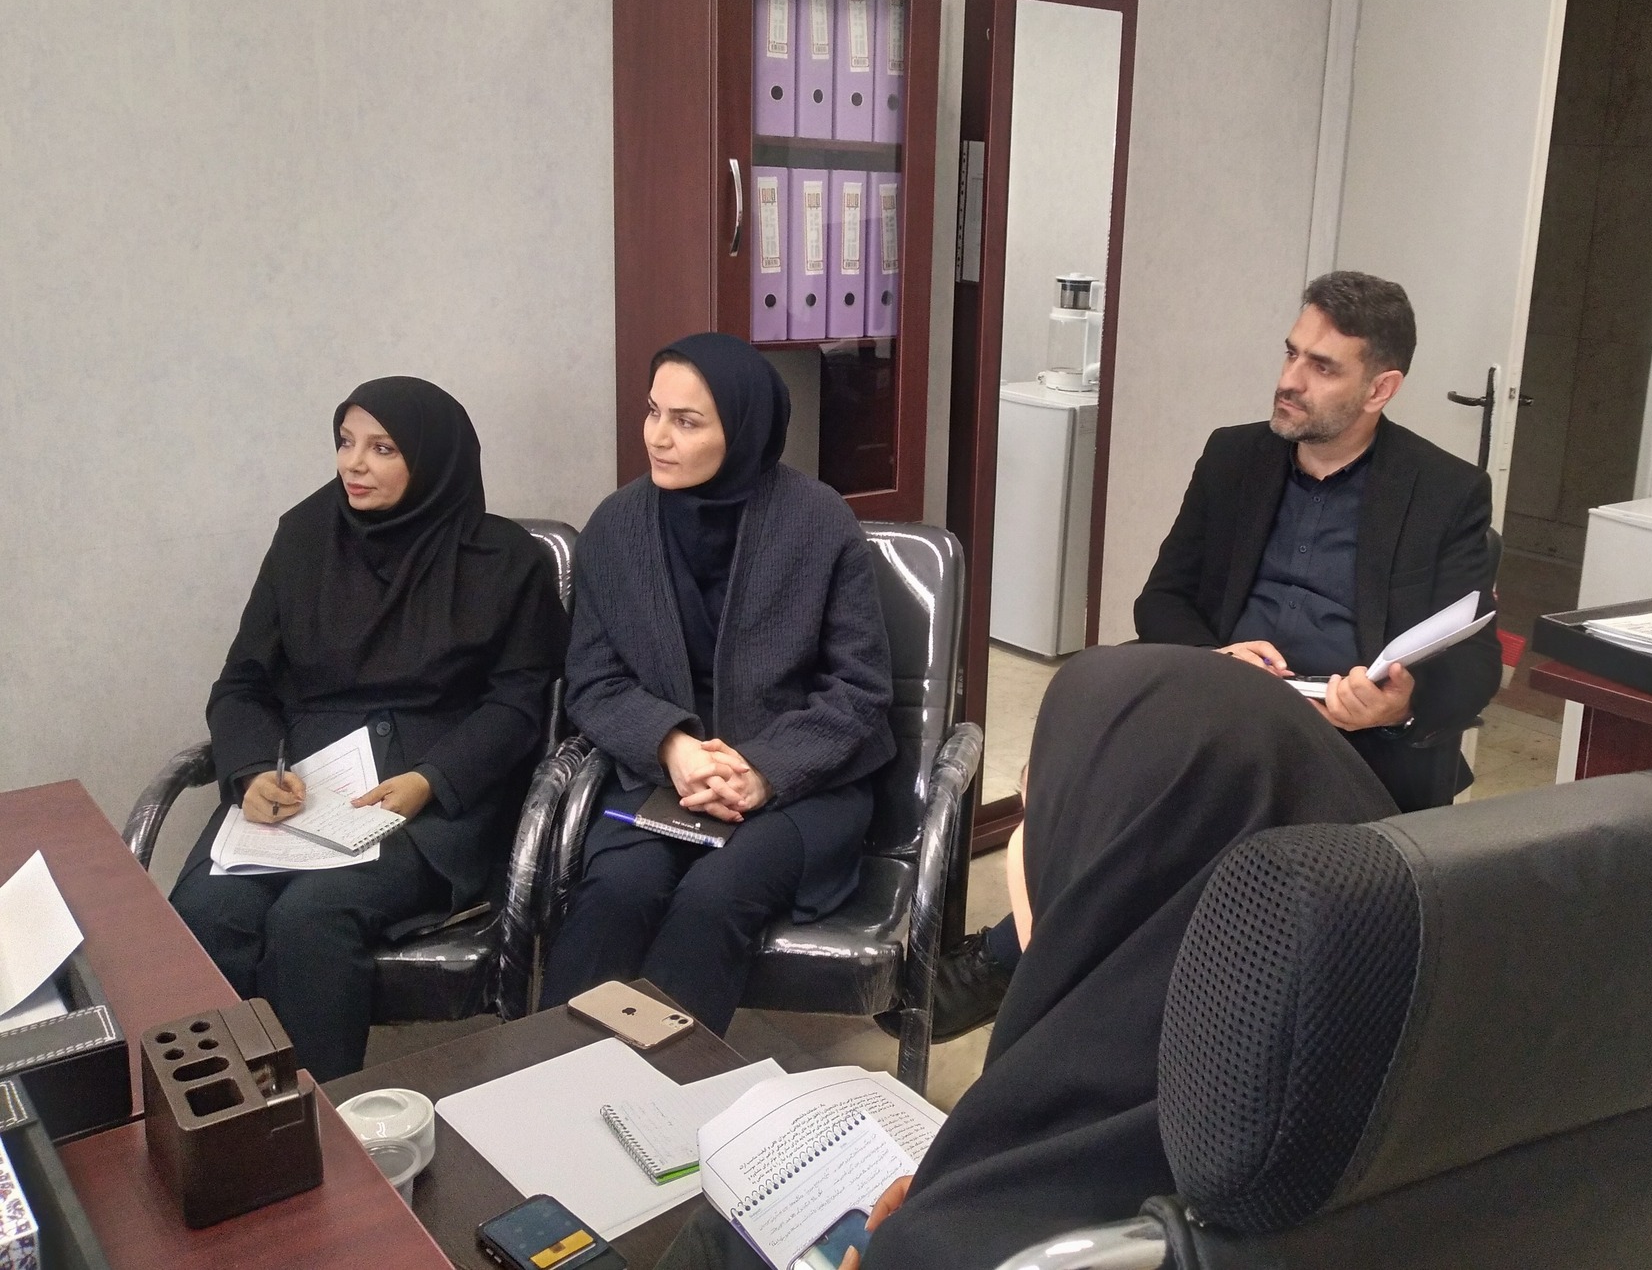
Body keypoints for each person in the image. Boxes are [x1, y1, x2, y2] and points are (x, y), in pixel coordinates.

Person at [653, 645, 1398, 1270]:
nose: (1028, 841)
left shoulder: (1006, 1225)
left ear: (1114, 864)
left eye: (1044, 813)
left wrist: (934, 1226)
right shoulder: (1388, 1078)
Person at [930, 270, 1500, 1038]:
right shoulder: (1236, 458)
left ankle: (1018, 963)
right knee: (1103, 707)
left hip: (1345, 741)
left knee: (1163, 803)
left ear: (1380, 389)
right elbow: (1161, 601)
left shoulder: (1444, 491)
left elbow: (1475, 666)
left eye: (1322, 367)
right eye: (1291, 353)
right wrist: (1217, 654)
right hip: (1223, 701)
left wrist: (1400, 703)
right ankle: (1076, 990)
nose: (1290, 380)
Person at [170, 378, 568, 1081]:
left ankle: (316, 1120)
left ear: (433, 459)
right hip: (306, 783)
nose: (354, 463)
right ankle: (221, 1111)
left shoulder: (505, 560)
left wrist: (431, 781)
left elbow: (519, 705)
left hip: (433, 793)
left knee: (311, 918)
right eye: (345, 442)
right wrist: (251, 771)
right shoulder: (304, 537)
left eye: (382, 448)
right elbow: (243, 683)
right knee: (205, 909)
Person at [539, 333, 895, 1038]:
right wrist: (672, 746)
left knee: (716, 895)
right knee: (617, 890)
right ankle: (555, 1079)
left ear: (743, 429)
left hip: (806, 784)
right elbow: (593, 679)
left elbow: (860, 689)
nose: (657, 437)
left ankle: (663, 1092)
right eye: (653, 412)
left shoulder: (819, 521)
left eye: (687, 421)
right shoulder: (616, 526)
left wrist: (761, 771)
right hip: (660, 776)